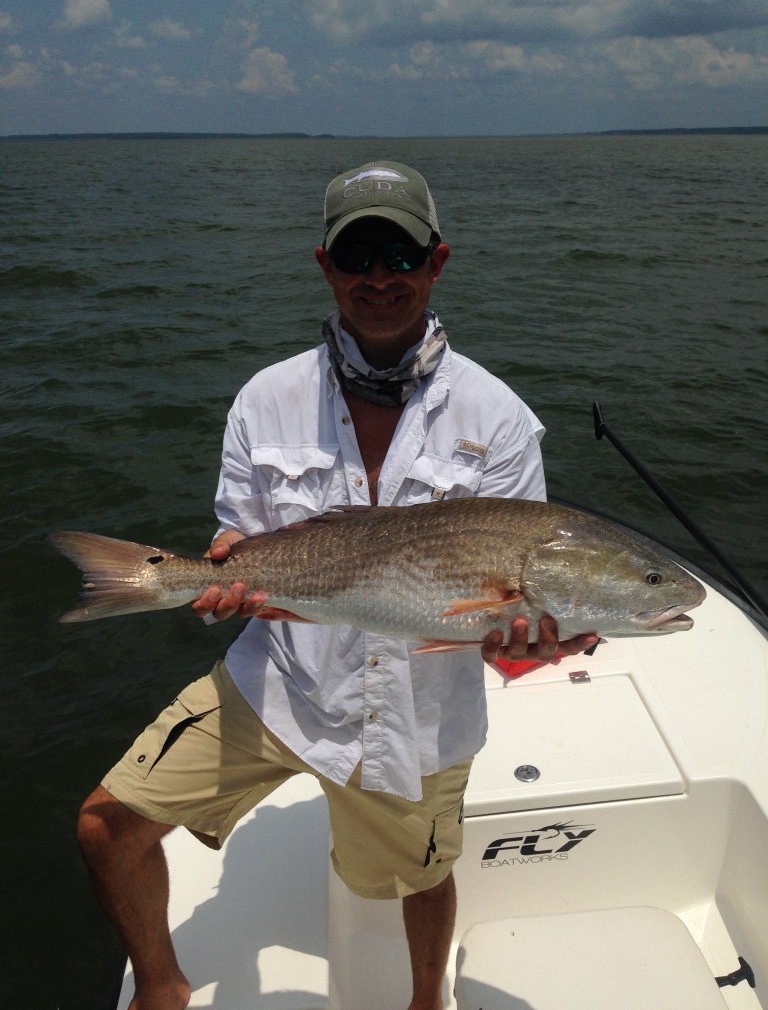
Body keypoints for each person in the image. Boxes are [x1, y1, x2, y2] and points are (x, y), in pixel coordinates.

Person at [77, 161, 597, 1010]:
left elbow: (510, 589)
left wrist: (527, 640)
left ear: (438, 262)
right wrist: (215, 577)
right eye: (359, 257)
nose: (380, 278)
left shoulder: (497, 418)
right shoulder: (265, 399)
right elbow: (236, 536)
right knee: (106, 824)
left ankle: (427, 1000)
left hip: (418, 717)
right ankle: (161, 990)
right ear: (326, 266)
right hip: (278, 684)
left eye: (401, 255)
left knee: (421, 880)